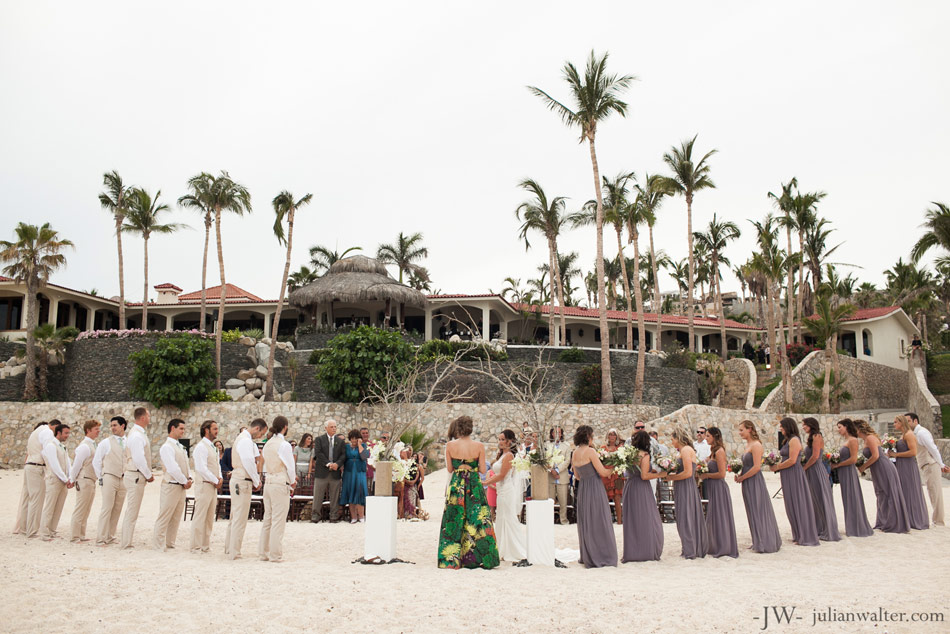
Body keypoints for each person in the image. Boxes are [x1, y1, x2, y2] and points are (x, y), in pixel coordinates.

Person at [438, 415, 499, 570]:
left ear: (458, 428)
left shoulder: (450, 445)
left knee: (455, 517)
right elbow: (484, 470)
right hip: (473, 483)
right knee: (477, 518)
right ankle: (477, 557)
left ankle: (452, 559)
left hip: (457, 483)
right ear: (471, 428)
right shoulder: (478, 446)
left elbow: (450, 469)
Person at [571, 425, 618, 568]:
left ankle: (588, 554)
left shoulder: (574, 453)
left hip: (584, 488)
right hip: (595, 487)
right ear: (587, 437)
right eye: (592, 436)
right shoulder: (590, 451)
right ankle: (602, 554)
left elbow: (577, 476)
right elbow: (603, 473)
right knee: (599, 519)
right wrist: (616, 467)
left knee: (587, 520)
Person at [768, 418, 819, 546]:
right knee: (790, 504)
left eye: (782, 427)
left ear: (788, 427)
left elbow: (792, 460)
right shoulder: (788, 440)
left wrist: (777, 467)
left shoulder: (795, 440)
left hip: (794, 474)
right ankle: (797, 534)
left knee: (798, 502)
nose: (780, 429)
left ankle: (805, 535)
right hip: (787, 474)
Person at [734, 421, 782, 553]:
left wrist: (743, 477)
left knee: (759, 508)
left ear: (749, 429)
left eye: (741, 430)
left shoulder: (756, 445)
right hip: (747, 481)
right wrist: (739, 474)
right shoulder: (748, 445)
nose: (740, 433)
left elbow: (756, 467)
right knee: (751, 509)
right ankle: (757, 539)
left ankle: (765, 540)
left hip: (754, 481)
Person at [856, 419, 910, 533]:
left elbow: (875, 456)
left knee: (887, 493)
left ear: (858, 429)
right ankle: (884, 521)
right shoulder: (867, 438)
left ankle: (892, 523)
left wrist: (863, 467)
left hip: (883, 467)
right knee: (881, 494)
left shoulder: (870, 438)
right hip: (878, 468)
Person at [662, 429, 708, 559]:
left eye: (672, 439)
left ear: (678, 438)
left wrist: (671, 478)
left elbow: (688, 473)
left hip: (686, 486)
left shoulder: (686, 450)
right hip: (681, 486)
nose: (672, 442)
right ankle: (688, 547)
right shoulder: (683, 451)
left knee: (686, 516)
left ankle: (691, 549)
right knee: (683, 517)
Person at [225, 418, 267, 560]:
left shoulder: (242, 438)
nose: (261, 437)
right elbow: (248, 462)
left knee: (235, 515)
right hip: (242, 479)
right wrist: (257, 480)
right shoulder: (246, 441)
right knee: (240, 517)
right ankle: (234, 551)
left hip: (239, 478)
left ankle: (229, 548)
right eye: (262, 433)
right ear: (257, 429)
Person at [484, 429, 527, 562]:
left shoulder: (509, 456)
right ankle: (502, 548)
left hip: (506, 490)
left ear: (509, 441)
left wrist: (486, 482)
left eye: (503, 439)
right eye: (499, 439)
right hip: (501, 491)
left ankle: (512, 549)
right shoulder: (502, 455)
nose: (500, 442)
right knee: (501, 518)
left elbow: (502, 475)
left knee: (508, 518)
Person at [621, 431, 664, 562]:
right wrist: (660, 475)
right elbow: (644, 476)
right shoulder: (644, 456)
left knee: (633, 520)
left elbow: (626, 472)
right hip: (641, 488)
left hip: (629, 487)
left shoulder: (629, 455)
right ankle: (646, 550)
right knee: (647, 518)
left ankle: (633, 550)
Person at [260, 416, 297, 563]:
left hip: (268, 480)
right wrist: (292, 482)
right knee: (278, 519)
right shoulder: (284, 445)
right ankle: (275, 554)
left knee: (267, 518)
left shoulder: (268, 444)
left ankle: (263, 552)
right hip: (279, 482)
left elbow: (264, 463)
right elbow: (290, 466)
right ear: (285, 427)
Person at [698, 427, 738, 558]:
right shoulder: (712, 452)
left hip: (719, 487)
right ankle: (715, 544)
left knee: (720, 516)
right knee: (713, 516)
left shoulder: (720, 452)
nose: (706, 438)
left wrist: (707, 475)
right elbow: (705, 463)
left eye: (708, 436)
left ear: (715, 437)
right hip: (712, 487)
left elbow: (722, 474)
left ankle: (723, 546)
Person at [152, 419, 192, 551]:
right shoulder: (167, 447)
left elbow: (185, 464)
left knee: (176, 516)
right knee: (165, 515)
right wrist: (184, 480)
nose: (183, 431)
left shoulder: (180, 446)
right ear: (172, 428)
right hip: (171, 484)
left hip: (181, 485)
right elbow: (172, 468)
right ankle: (158, 544)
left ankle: (170, 542)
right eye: (181, 428)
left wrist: (189, 477)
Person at [829, 418, 873, 537]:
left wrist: (837, 464)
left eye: (840, 427)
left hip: (848, 472)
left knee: (852, 497)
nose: (838, 430)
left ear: (847, 427)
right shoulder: (847, 440)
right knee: (847, 498)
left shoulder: (853, 440)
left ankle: (857, 526)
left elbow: (853, 459)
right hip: (843, 472)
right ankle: (852, 525)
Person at [800, 418, 840, 542]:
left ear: (811, 425)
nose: (803, 427)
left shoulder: (817, 436)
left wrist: (804, 467)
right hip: (811, 470)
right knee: (814, 499)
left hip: (816, 469)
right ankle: (818, 527)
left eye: (805, 425)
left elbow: (816, 456)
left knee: (820, 497)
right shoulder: (812, 437)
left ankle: (826, 528)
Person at [887, 415, 929, 530]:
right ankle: (906, 518)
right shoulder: (903, 434)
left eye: (896, 422)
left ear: (901, 422)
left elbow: (913, 452)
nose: (894, 424)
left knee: (909, 490)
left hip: (908, 466)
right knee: (904, 490)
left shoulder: (909, 434)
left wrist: (896, 455)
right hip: (901, 465)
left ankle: (914, 519)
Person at [906, 412, 949, 526]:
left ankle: (938, 521)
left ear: (915, 421)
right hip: (926, 466)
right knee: (932, 492)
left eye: (908, 421)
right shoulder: (914, 433)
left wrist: (941, 465)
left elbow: (933, 449)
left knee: (935, 493)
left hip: (930, 465)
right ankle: (937, 520)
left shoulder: (921, 433)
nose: (907, 424)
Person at [120, 407, 154, 549]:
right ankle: (126, 542)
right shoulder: (136, 435)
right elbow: (139, 458)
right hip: (135, 474)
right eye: (148, 415)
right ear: (142, 417)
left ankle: (127, 540)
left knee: (133, 509)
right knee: (132, 510)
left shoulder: (138, 434)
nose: (150, 417)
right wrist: (148, 474)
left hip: (136, 474)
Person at [17, 420, 56, 538]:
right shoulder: (47, 432)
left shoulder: (36, 432)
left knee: (27, 498)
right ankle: (33, 531)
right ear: (54, 427)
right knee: (36, 499)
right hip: (37, 467)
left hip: (29, 465)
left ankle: (23, 528)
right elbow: (46, 451)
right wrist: (50, 469)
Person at [93, 416, 127, 546]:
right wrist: (101, 477)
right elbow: (96, 461)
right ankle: (100, 538)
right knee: (107, 507)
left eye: (115, 425)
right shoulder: (105, 442)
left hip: (123, 478)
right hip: (109, 477)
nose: (112, 428)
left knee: (117, 508)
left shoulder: (128, 442)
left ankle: (110, 536)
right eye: (111, 425)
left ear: (122, 426)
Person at [191, 420, 223, 553]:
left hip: (213, 485)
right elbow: (201, 468)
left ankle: (205, 544)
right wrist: (215, 479)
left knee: (209, 517)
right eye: (214, 429)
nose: (217, 431)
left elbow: (217, 464)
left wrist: (220, 477)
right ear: (206, 430)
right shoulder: (201, 447)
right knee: (200, 516)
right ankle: (195, 545)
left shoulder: (212, 447)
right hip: (204, 485)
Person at [68, 419, 101, 542]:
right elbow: (77, 465)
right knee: (81, 508)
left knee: (86, 508)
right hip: (84, 479)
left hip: (91, 479)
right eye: (96, 429)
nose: (98, 431)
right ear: (88, 430)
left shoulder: (92, 445)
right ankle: (74, 535)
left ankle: (81, 534)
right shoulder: (84, 447)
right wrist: (72, 478)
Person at [40, 423, 73, 540]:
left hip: (63, 480)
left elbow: (68, 462)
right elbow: (54, 465)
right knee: (50, 506)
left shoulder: (63, 446)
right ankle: (44, 532)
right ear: (58, 433)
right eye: (66, 433)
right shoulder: (51, 445)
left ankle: (52, 530)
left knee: (58, 507)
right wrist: (65, 479)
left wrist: (70, 477)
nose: (68, 435)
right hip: (54, 480)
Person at [312, 419, 345, 523]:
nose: (334, 428)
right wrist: (329, 464)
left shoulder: (340, 441)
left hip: (335, 473)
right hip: (322, 472)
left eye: (335, 426)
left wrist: (337, 464)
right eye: (332, 427)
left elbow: (343, 455)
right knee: (318, 495)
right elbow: (318, 453)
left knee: (335, 495)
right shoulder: (319, 440)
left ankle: (334, 516)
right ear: (326, 428)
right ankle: (315, 516)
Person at [339, 429, 369, 523]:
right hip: (349, 472)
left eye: (356, 439)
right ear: (350, 439)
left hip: (360, 472)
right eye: (353, 439)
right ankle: (353, 517)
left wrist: (360, 445)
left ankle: (361, 516)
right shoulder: (346, 447)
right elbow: (343, 457)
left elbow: (364, 457)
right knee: (350, 492)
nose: (354, 441)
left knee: (360, 492)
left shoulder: (364, 446)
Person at [548, 426, 571, 525]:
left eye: (559, 432)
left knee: (563, 502)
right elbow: (546, 459)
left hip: (562, 477)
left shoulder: (566, 446)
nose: (557, 434)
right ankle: (549, 520)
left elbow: (567, 461)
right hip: (550, 477)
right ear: (552, 434)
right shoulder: (547, 445)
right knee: (550, 501)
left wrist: (557, 470)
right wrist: (552, 470)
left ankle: (564, 520)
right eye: (555, 432)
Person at [600, 428, 624, 524]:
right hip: (605, 475)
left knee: (617, 498)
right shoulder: (603, 448)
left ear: (617, 436)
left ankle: (619, 521)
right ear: (607, 436)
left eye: (614, 435)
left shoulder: (620, 448)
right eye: (610, 434)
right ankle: (606, 521)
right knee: (605, 498)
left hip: (617, 475)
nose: (612, 437)